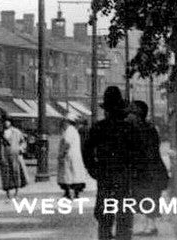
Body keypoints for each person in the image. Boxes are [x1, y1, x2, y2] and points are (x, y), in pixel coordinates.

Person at [85, 86, 143, 240]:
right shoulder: (129, 128)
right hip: (125, 178)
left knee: (104, 220)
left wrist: (94, 170)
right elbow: (139, 154)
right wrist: (134, 172)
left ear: (106, 109)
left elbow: (87, 151)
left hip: (105, 177)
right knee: (124, 219)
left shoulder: (99, 128)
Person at [131, 101, 169, 237]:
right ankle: (150, 226)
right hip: (151, 169)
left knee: (149, 197)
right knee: (148, 197)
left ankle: (150, 227)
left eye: (132, 112)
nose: (129, 115)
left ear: (138, 114)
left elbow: (146, 151)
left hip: (149, 170)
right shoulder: (147, 127)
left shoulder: (143, 129)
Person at [57, 110, 89, 200]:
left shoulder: (69, 131)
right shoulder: (74, 130)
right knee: (75, 174)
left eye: (64, 121)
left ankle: (68, 193)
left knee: (68, 175)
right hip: (74, 155)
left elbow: (67, 143)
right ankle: (74, 193)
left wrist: (62, 153)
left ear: (67, 122)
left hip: (69, 156)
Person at [0, 116, 28, 198]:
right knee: (6, 173)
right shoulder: (1, 133)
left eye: (8, 121)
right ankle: (8, 192)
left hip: (15, 154)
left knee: (16, 172)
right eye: (4, 121)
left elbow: (23, 142)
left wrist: (21, 148)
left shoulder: (16, 132)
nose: (6, 123)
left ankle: (17, 191)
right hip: (4, 155)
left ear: (10, 122)